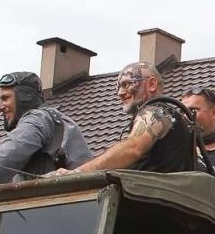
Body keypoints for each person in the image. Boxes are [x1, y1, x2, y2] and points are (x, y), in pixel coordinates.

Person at [0, 71, 93, 189]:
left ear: (24, 97)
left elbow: (4, 157)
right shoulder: (50, 121)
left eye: (5, 98)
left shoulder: (39, 118)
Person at [58, 62, 202, 174]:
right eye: (118, 87)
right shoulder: (174, 119)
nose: (120, 93)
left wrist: (78, 173)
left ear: (151, 84)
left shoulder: (156, 111)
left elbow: (133, 148)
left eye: (126, 84)